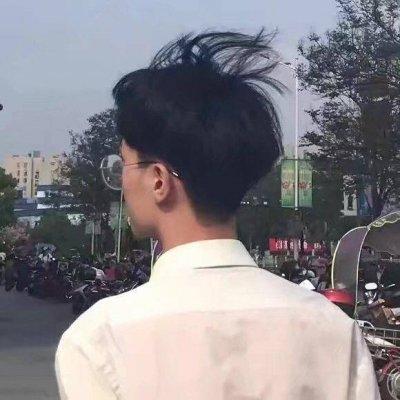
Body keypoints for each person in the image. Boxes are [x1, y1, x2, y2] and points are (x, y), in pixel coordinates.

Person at [55, 30, 379, 399]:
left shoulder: (100, 341)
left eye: (124, 164)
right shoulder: (334, 331)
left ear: (159, 181)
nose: (122, 181)